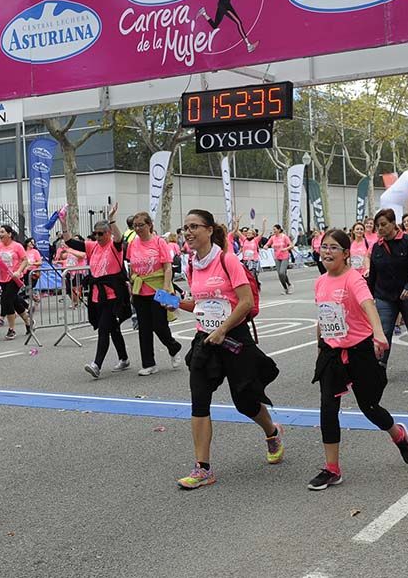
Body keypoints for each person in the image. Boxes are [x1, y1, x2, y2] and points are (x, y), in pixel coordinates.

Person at [168, 209, 281, 489]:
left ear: (209, 230)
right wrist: (175, 302)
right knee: (199, 400)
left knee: (245, 402)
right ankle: (202, 468)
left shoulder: (227, 259)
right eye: (185, 228)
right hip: (205, 340)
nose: (188, 232)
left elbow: (245, 302)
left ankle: (271, 431)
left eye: (194, 227)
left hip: (234, 338)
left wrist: (222, 330)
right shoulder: (192, 264)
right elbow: (201, 304)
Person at [309, 229, 408, 490]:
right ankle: (332, 469)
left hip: (359, 350)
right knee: (328, 408)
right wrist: (320, 346)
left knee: (369, 407)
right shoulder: (320, 282)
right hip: (332, 353)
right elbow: (323, 316)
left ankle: (398, 435)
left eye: (334, 248)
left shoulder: (353, 279)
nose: (327, 252)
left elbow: (369, 305)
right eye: (324, 247)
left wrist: (378, 333)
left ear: (346, 254)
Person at [61, 207, 132, 378]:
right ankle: (124, 358)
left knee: (104, 329)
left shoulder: (115, 246)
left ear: (109, 233)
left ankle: (96, 365)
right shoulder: (92, 246)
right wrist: (63, 223)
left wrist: (112, 219)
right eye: (95, 233)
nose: (98, 237)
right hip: (96, 295)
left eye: (101, 233)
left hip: (113, 295)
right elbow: (70, 242)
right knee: (113, 329)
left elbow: (119, 238)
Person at [367, 209, 408, 373]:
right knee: (384, 330)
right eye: (377, 226)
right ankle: (381, 364)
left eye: (383, 224)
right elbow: (373, 275)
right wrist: (368, 298)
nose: (380, 228)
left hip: (407, 295)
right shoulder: (376, 247)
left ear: (393, 224)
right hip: (384, 295)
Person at [126, 212, 182, 375]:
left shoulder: (159, 242)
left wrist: (165, 288)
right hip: (140, 290)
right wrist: (131, 286)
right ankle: (148, 363)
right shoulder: (133, 243)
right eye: (135, 226)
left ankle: (173, 347)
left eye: (141, 225)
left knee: (160, 325)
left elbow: (167, 268)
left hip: (158, 289)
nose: (138, 229)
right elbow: (131, 267)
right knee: (144, 328)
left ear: (149, 225)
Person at [0, 225, 33, 340]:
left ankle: (11, 329)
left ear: (9, 234)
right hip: (2, 278)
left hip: (14, 278)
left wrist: (18, 271)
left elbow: (25, 260)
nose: (0, 234)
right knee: (15, 302)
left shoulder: (17, 246)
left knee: (7, 301)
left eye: (2, 232)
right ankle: (29, 323)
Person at [264, 225, 294, 294]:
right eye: (273, 229)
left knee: (282, 272)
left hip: (285, 256)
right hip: (277, 257)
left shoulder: (284, 237)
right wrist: (266, 246)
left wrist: (285, 249)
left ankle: (289, 284)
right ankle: (285, 288)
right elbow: (267, 244)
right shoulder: (272, 237)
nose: (274, 231)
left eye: (275, 229)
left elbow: (291, 245)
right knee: (280, 274)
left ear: (279, 230)